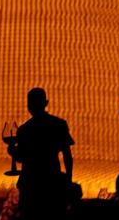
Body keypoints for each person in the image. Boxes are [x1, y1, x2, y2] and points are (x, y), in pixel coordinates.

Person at [9, 88, 75, 219]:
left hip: (30, 184)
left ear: (28, 106)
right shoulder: (59, 124)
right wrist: (68, 179)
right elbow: (67, 155)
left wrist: (12, 152)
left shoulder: (24, 129)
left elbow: (21, 157)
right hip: (52, 182)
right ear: (46, 103)